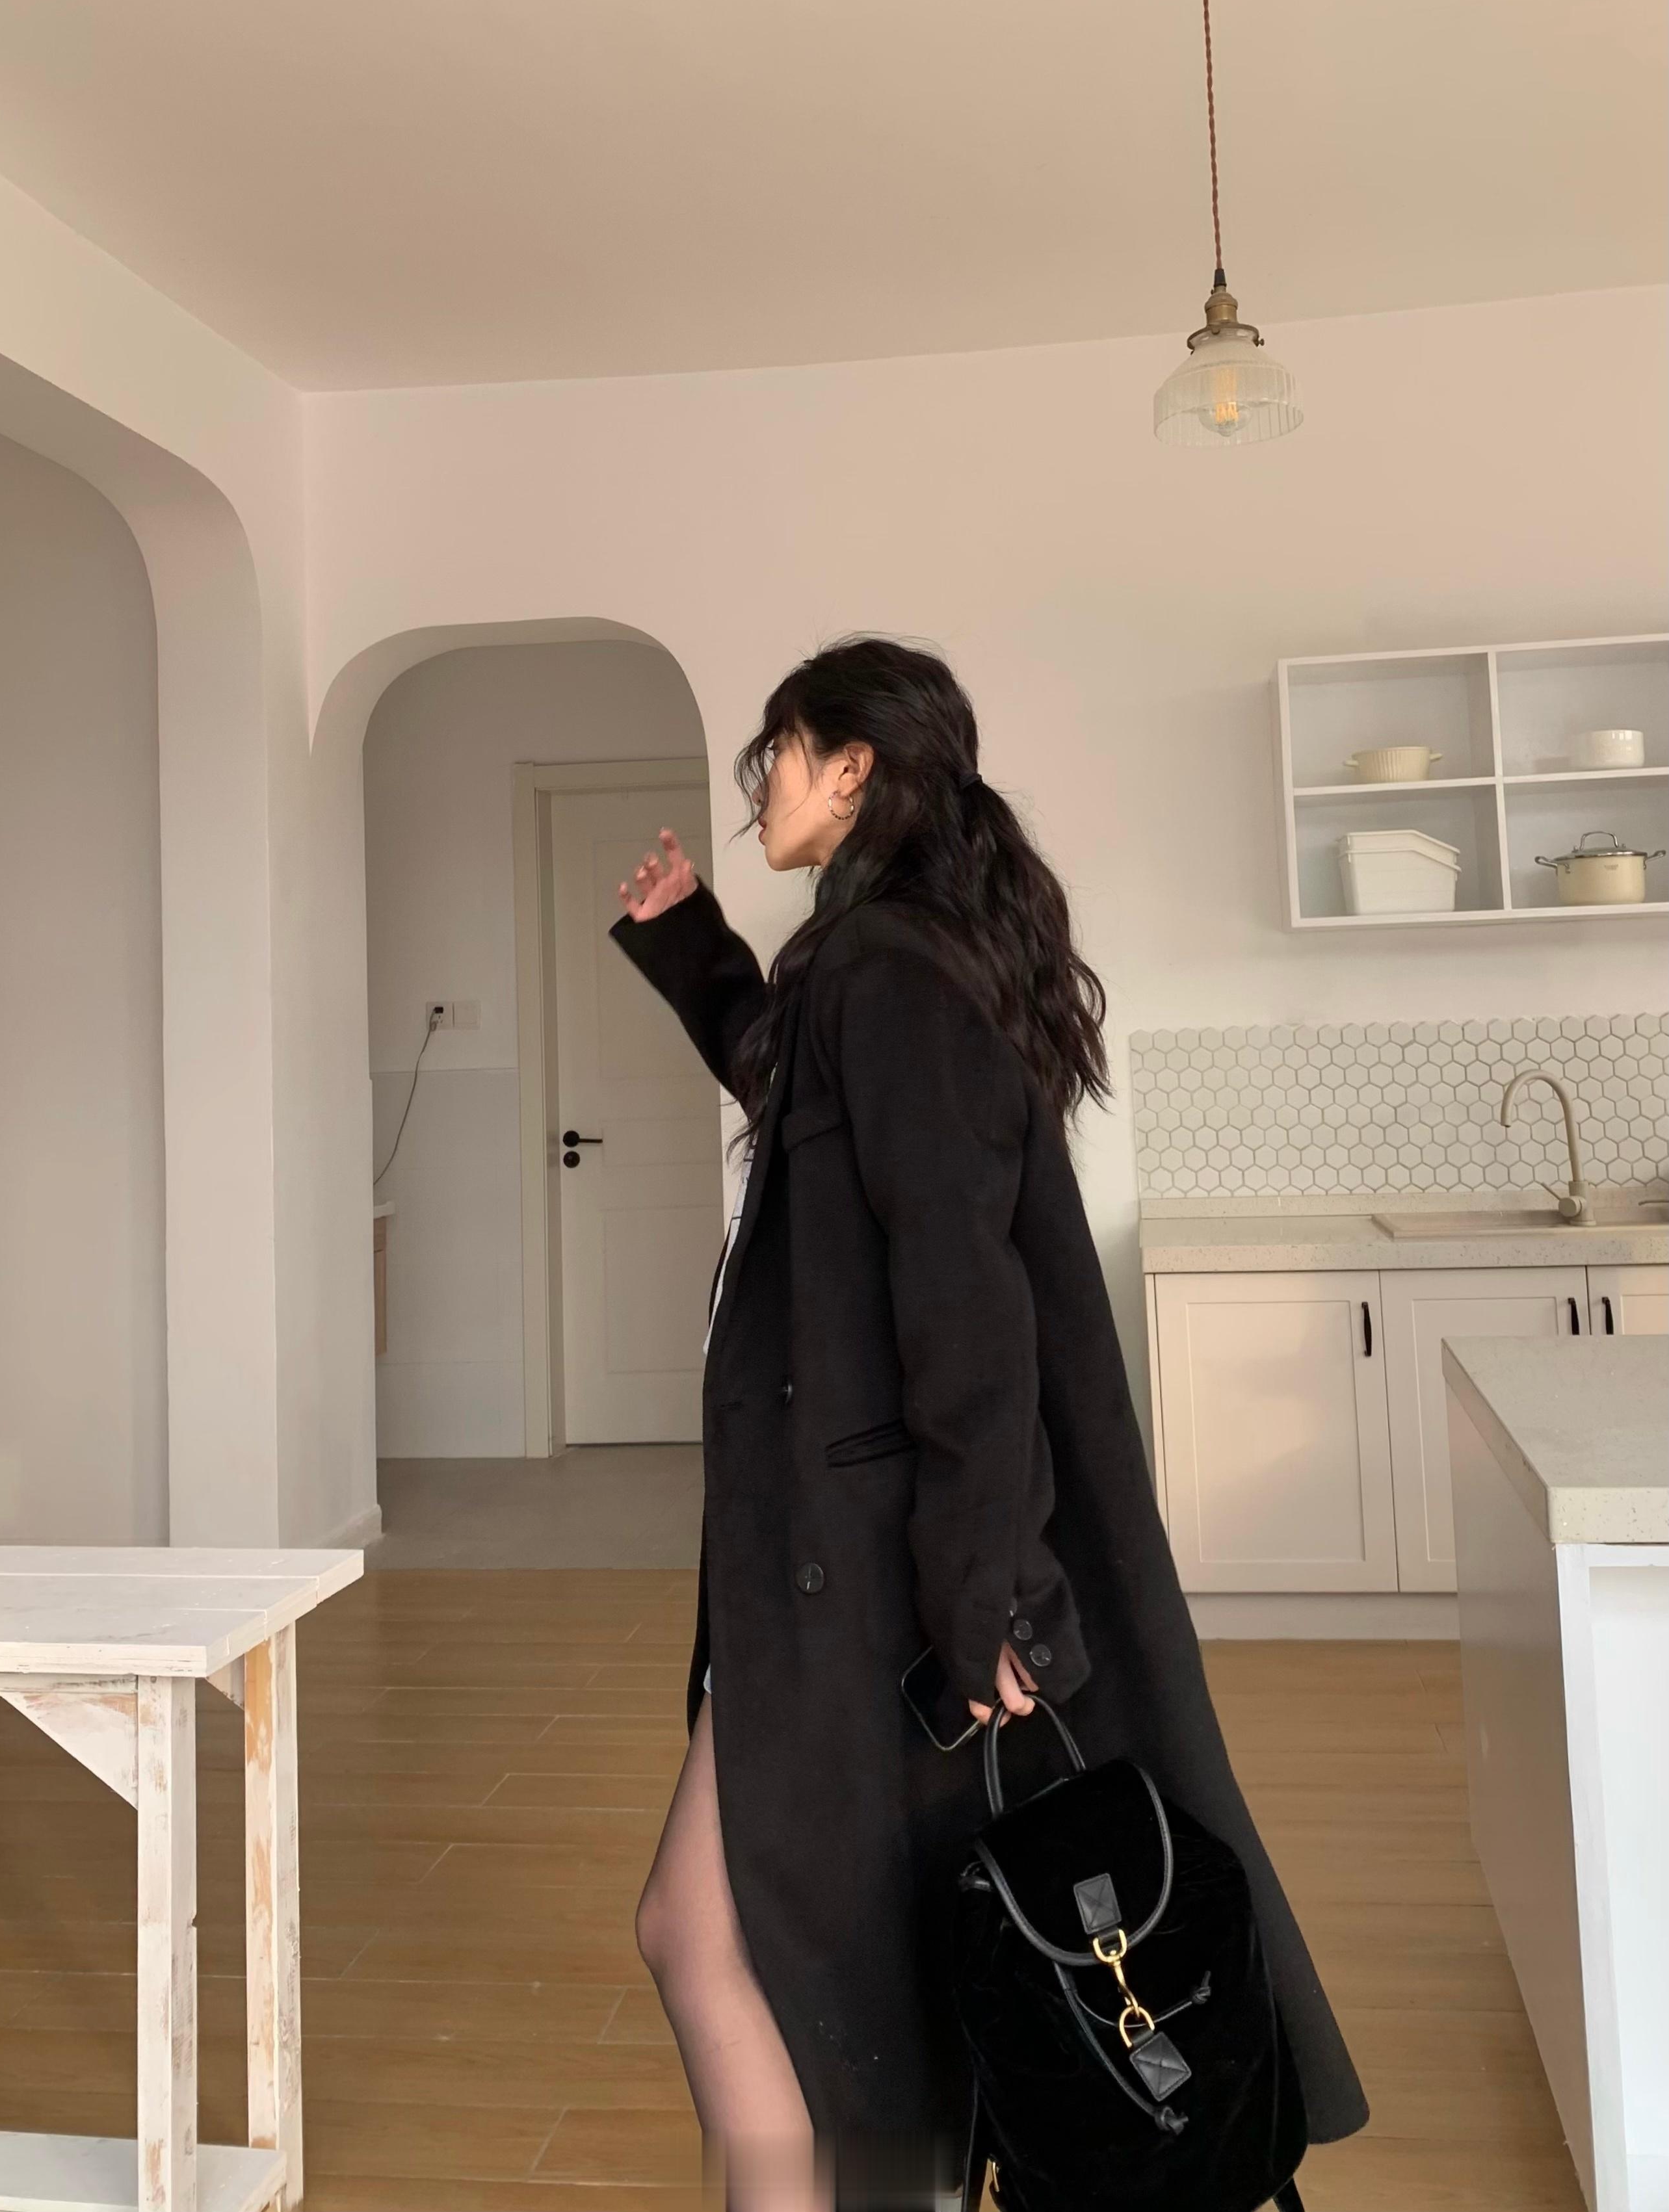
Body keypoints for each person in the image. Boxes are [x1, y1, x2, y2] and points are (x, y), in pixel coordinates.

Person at [612, 638, 1366, 2212]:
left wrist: (986, 1596)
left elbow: (966, 1311)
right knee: (796, 1944)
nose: (759, 791)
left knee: (714, 1933)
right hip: (852, 1551)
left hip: (868, 1570)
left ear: (854, 768)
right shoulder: (873, 962)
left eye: (780, 756)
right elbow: (800, 1096)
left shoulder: (888, 971)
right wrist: (688, 941)